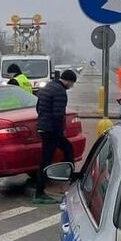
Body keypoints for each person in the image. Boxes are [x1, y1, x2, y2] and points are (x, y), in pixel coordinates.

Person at [34, 69, 77, 204]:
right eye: (72, 83)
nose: (72, 86)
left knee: (57, 153)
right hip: (52, 130)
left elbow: (38, 107)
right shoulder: (60, 92)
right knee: (50, 158)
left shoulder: (49, 87)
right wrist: (59, 133)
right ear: (68, 81)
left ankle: (61, 179)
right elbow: (58, 115)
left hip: (44, 127)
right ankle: (40, 192)